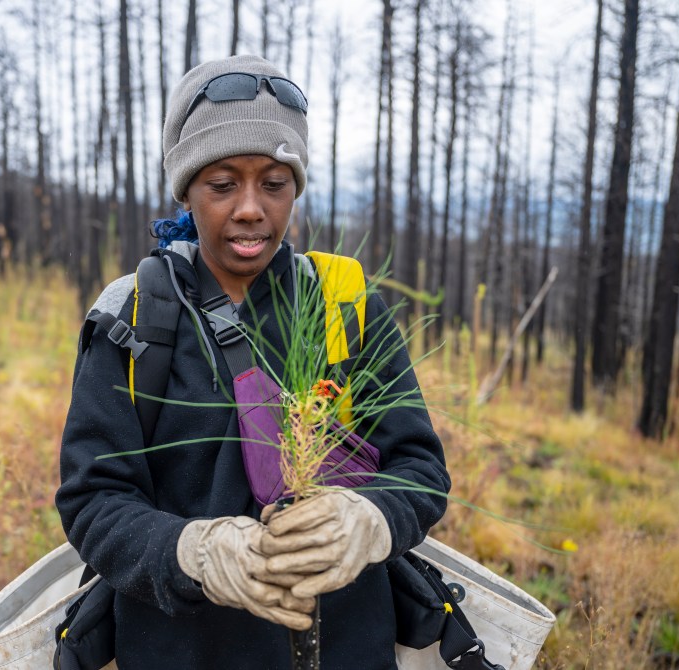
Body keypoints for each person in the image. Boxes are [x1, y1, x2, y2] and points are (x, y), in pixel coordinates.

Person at [56, 54, 450, 670]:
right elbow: (93, 501)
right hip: (181, 650)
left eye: (274, 183)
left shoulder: (343, 304)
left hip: (347, 649)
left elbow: (420, 468)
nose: (249, 208)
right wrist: (195, 553)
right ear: (187, 189)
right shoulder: (133, 316)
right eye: (222, 184)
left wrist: (367, 519)